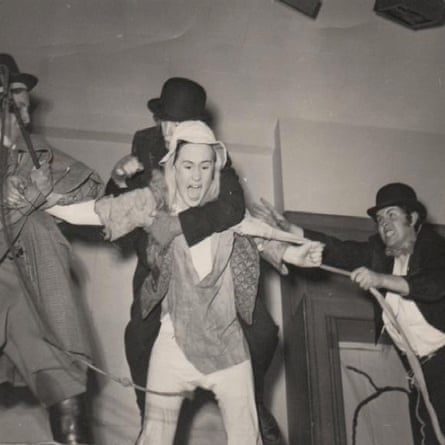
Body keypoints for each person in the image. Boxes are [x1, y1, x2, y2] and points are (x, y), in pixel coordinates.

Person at [46, 120, 324, 445]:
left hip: (228, 348)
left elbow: (261, 237)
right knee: (153, 437)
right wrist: (49, 205)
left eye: (205, 166)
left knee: (248, 438)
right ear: (173, 167)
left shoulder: (227, 212)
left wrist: (294, 255)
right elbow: (101, 212)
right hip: (174, 344)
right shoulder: (154, 204)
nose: (196, 176)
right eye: (188, 165)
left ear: (215, 169)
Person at [102, 77, 283, 443]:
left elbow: (232, 207)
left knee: (264, 331)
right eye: (166, 123)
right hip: (160, 260)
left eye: (180, 124)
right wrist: (118, 180)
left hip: (212, 258)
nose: (171, 132)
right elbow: (119, 212)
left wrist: (178, 225)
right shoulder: (144, 145)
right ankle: (148, 413)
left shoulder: (210, 149)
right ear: (158, 120)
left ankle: (254, 399)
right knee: (138, 334)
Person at [252, 184, 445, 445]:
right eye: (380, 219)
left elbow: (434, 284)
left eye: (392, 215)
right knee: (426, 437)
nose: (384, 224)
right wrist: (291, 230)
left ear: (413, 217)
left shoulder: (435, 247)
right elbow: (338, 251)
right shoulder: (380, 254)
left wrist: (381, 280)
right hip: (420, 373)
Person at [0, 53, 103, 444]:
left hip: (29, 287)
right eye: (16, 102)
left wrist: (42, 193)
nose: (25, 111)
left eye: (25, 99)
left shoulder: (37, 152)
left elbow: (90, 190)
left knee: (67, 394)